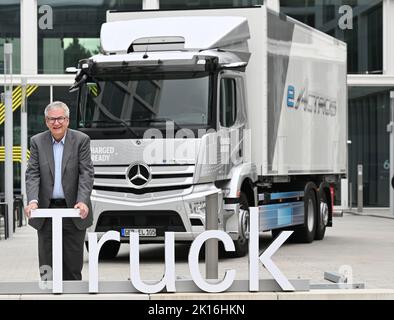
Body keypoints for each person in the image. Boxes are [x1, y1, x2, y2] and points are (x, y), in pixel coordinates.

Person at [24, 101, 94, 281]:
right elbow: (33, 174)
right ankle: (48, 295)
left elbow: (86, 173)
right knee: (47, 268)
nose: (56, 123)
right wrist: (32, 201)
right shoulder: (37, 142)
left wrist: (82, 200)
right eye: (52, 119)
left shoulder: (81, 140)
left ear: (67, 120)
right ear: (46, 121)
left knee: (72, 266)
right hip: (46, 212)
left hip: (74, 210)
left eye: (60, 118)